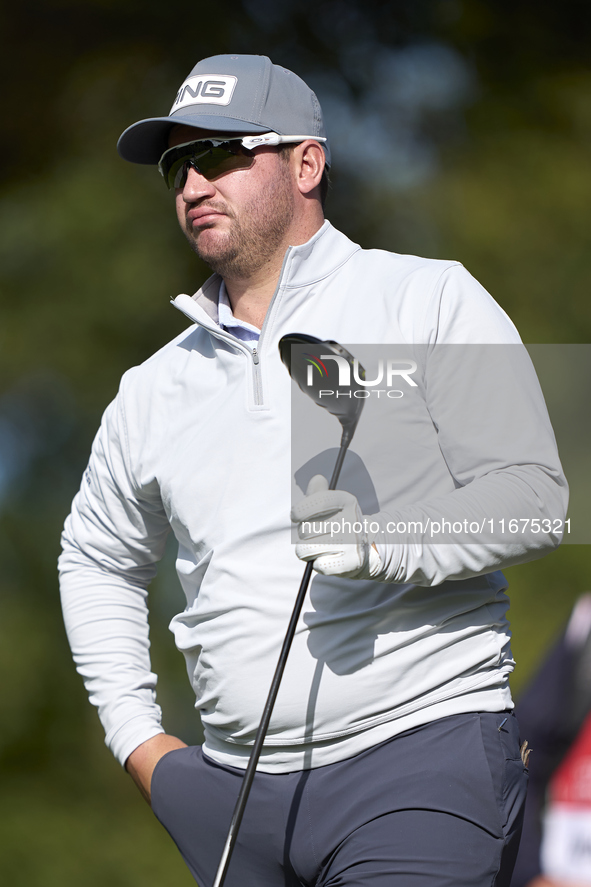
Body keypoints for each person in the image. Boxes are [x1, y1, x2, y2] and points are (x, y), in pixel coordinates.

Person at [59, 53, 569, 887]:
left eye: (221, 153)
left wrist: (383, 539)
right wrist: (139, 741)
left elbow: (533, 498)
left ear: (306, 162)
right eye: (176, 164)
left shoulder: (425, 298)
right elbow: (95, 557)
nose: (193, 182)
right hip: (228, 797)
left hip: (416, 763)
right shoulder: (153, 385)